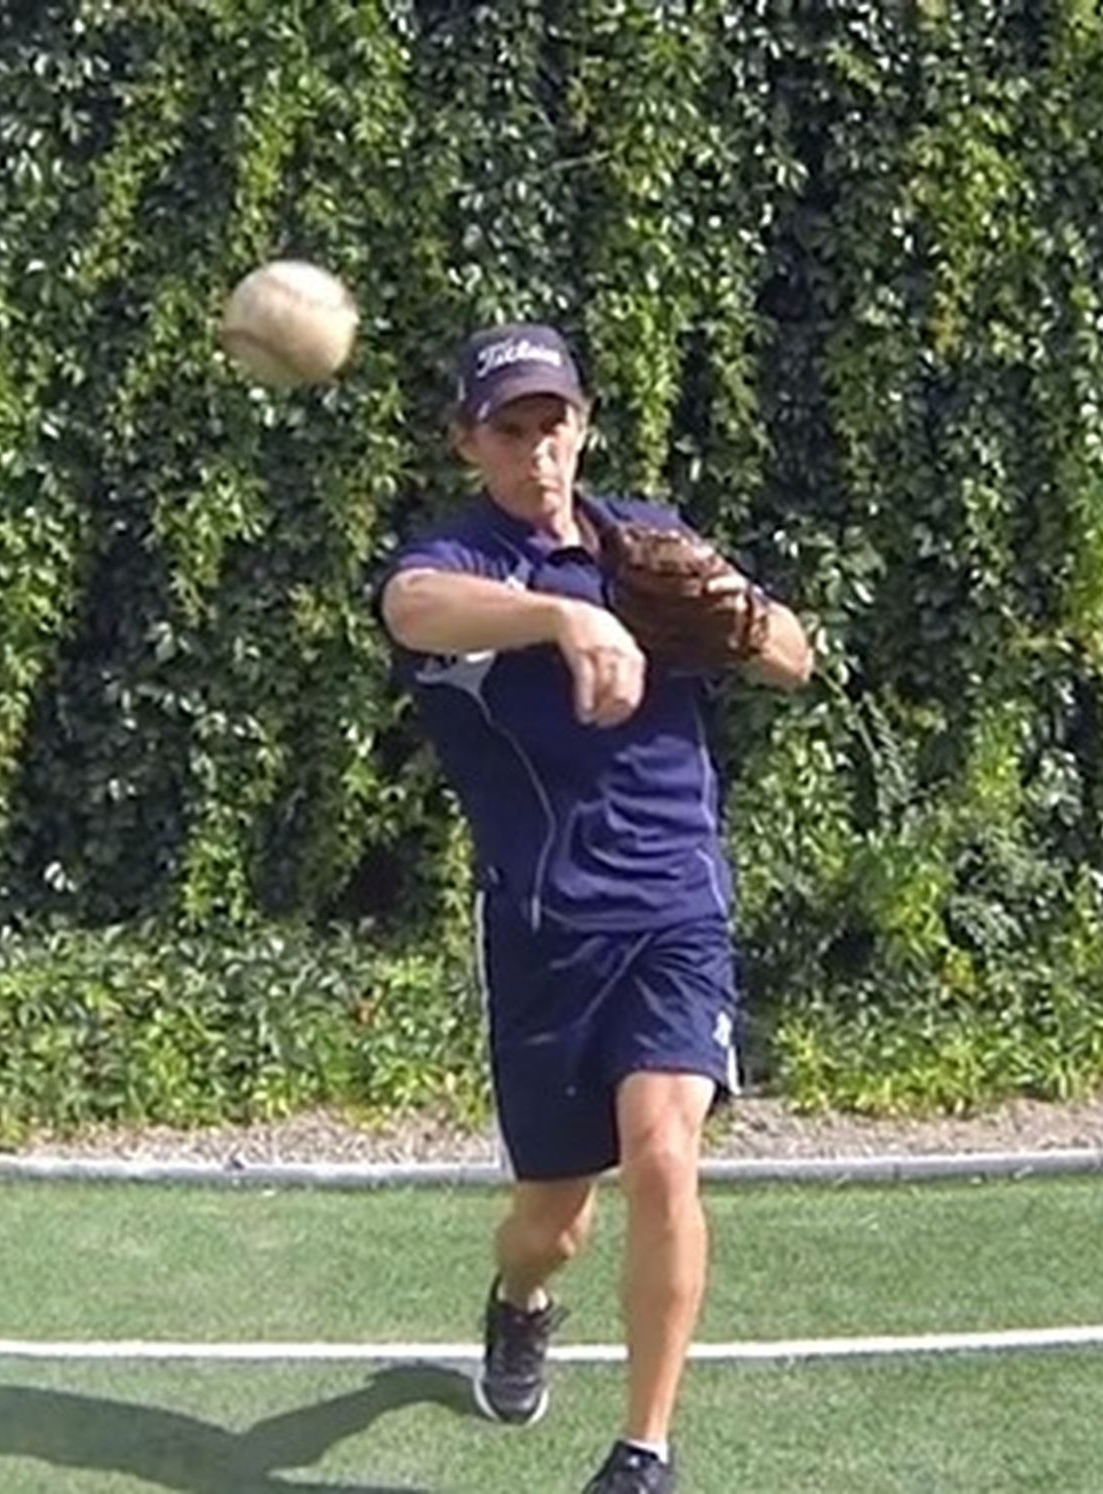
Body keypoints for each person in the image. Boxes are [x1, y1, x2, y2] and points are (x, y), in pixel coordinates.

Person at [374, 323, 813, 1493]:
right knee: (551, 1221)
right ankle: (521, 1301)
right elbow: (413, 609)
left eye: (553, 422)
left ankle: (643, 1453)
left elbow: (794, 658)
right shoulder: (459, 559)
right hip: (548, 927)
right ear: (470, 441)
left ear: (585, 424)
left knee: (666, 1153)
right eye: (509, 429)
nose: (537, 450)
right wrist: (566, 617)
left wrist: (724, 607)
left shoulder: (643, 537)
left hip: (677, 900)